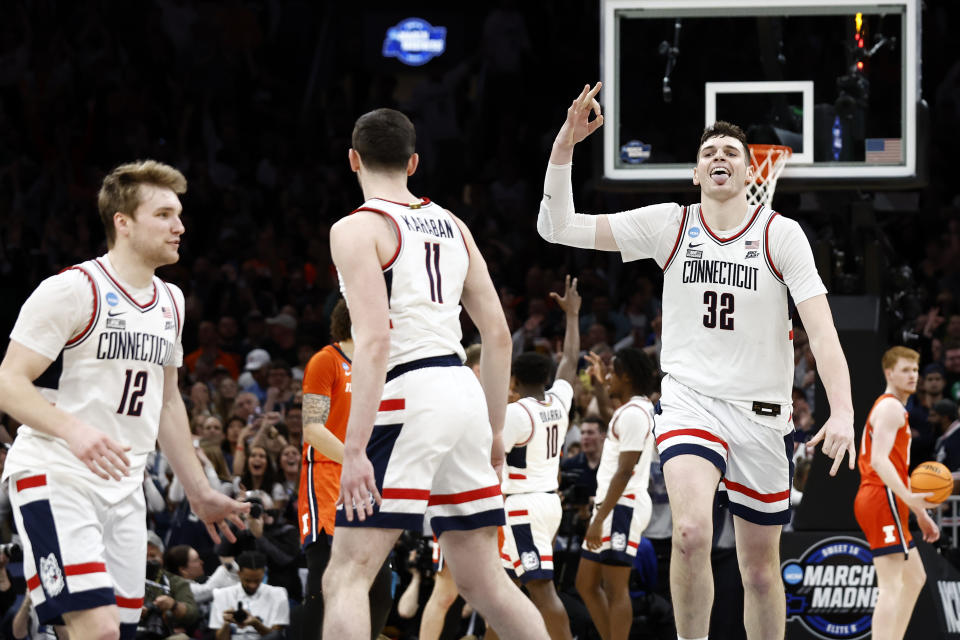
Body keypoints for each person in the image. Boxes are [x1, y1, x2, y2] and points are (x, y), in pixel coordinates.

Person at [537, 83, 856, 640]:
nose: (719, 158)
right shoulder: (671, 224)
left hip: (762, 412)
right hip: (690, 400)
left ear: (752, 172)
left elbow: (822, 331)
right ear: (694, 173)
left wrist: (845, 411)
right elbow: (557, 226)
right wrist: (566, 141)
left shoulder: (781, 235)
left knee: (758, 571)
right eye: (708, 153)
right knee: (688, 532)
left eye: (731, 152)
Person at [321, 108, 549, 640]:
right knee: (484, 581)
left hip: (410, 392)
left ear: (353, 159)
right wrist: (494, 429)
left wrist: (353, 450)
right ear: (414, 162)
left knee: (346, 576)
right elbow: (496, 334)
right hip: (463, 393)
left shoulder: (355, 228)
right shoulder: (454, 224)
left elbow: (374, 341)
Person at [0, 160, 248, 640]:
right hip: (57, 473)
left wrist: (198, 491)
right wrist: (75, 430)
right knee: (100, 630)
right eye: (164, 214)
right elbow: (9, 381)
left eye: (179, 214)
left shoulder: (172, 301)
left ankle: (47, 613)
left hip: (124, 486)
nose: (180, 226)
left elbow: (168, 403)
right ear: (123, 222)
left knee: (116, 633)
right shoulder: (73, 289)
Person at [488, 274, 581, 640]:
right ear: (545, 375)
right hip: (545, 502)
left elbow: (489, 459)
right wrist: (572, 315)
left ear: (513, 381)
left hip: (524, 506)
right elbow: (570, 360)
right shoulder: (558, 401)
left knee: (542, 592)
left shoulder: (516, 414)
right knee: (502, 592)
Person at [298, 298, 392, 640]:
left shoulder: (382, 367)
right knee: (325, 584)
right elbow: (312, 428)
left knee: (380, 592)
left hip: (366, 481)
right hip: (326, 475)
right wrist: (356, 460)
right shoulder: (326, 360)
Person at [854, 346, 939, 640]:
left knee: (915, 577)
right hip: (881, 496)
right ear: (889, 373)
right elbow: (878, 461)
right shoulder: (890, 407)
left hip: (889, 497)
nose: (913, 376)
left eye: (915, 370)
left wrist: (919, 513)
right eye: (906, 370)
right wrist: (910, 498)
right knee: (891, 584)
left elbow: (893, 467)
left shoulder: (894, 407)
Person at [575, 348, 658, 640]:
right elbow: (610, 415)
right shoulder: (631, 410)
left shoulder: (635, 414)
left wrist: (599, 519)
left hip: (623, 505)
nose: (608, 378)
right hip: (613, 504)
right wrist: (598, 383)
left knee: (615, 587)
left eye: (611, 373)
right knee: (585, 583)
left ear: (625, 376)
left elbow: (625, 472)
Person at [208, 551, 288, 640]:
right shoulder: (222, 595)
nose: (252, 585)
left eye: (257, 580)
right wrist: (226, 624)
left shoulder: (278, 594)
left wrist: (256, 624)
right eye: (248, 580)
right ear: (239, 574)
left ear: (264, 573)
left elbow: (276, 637)